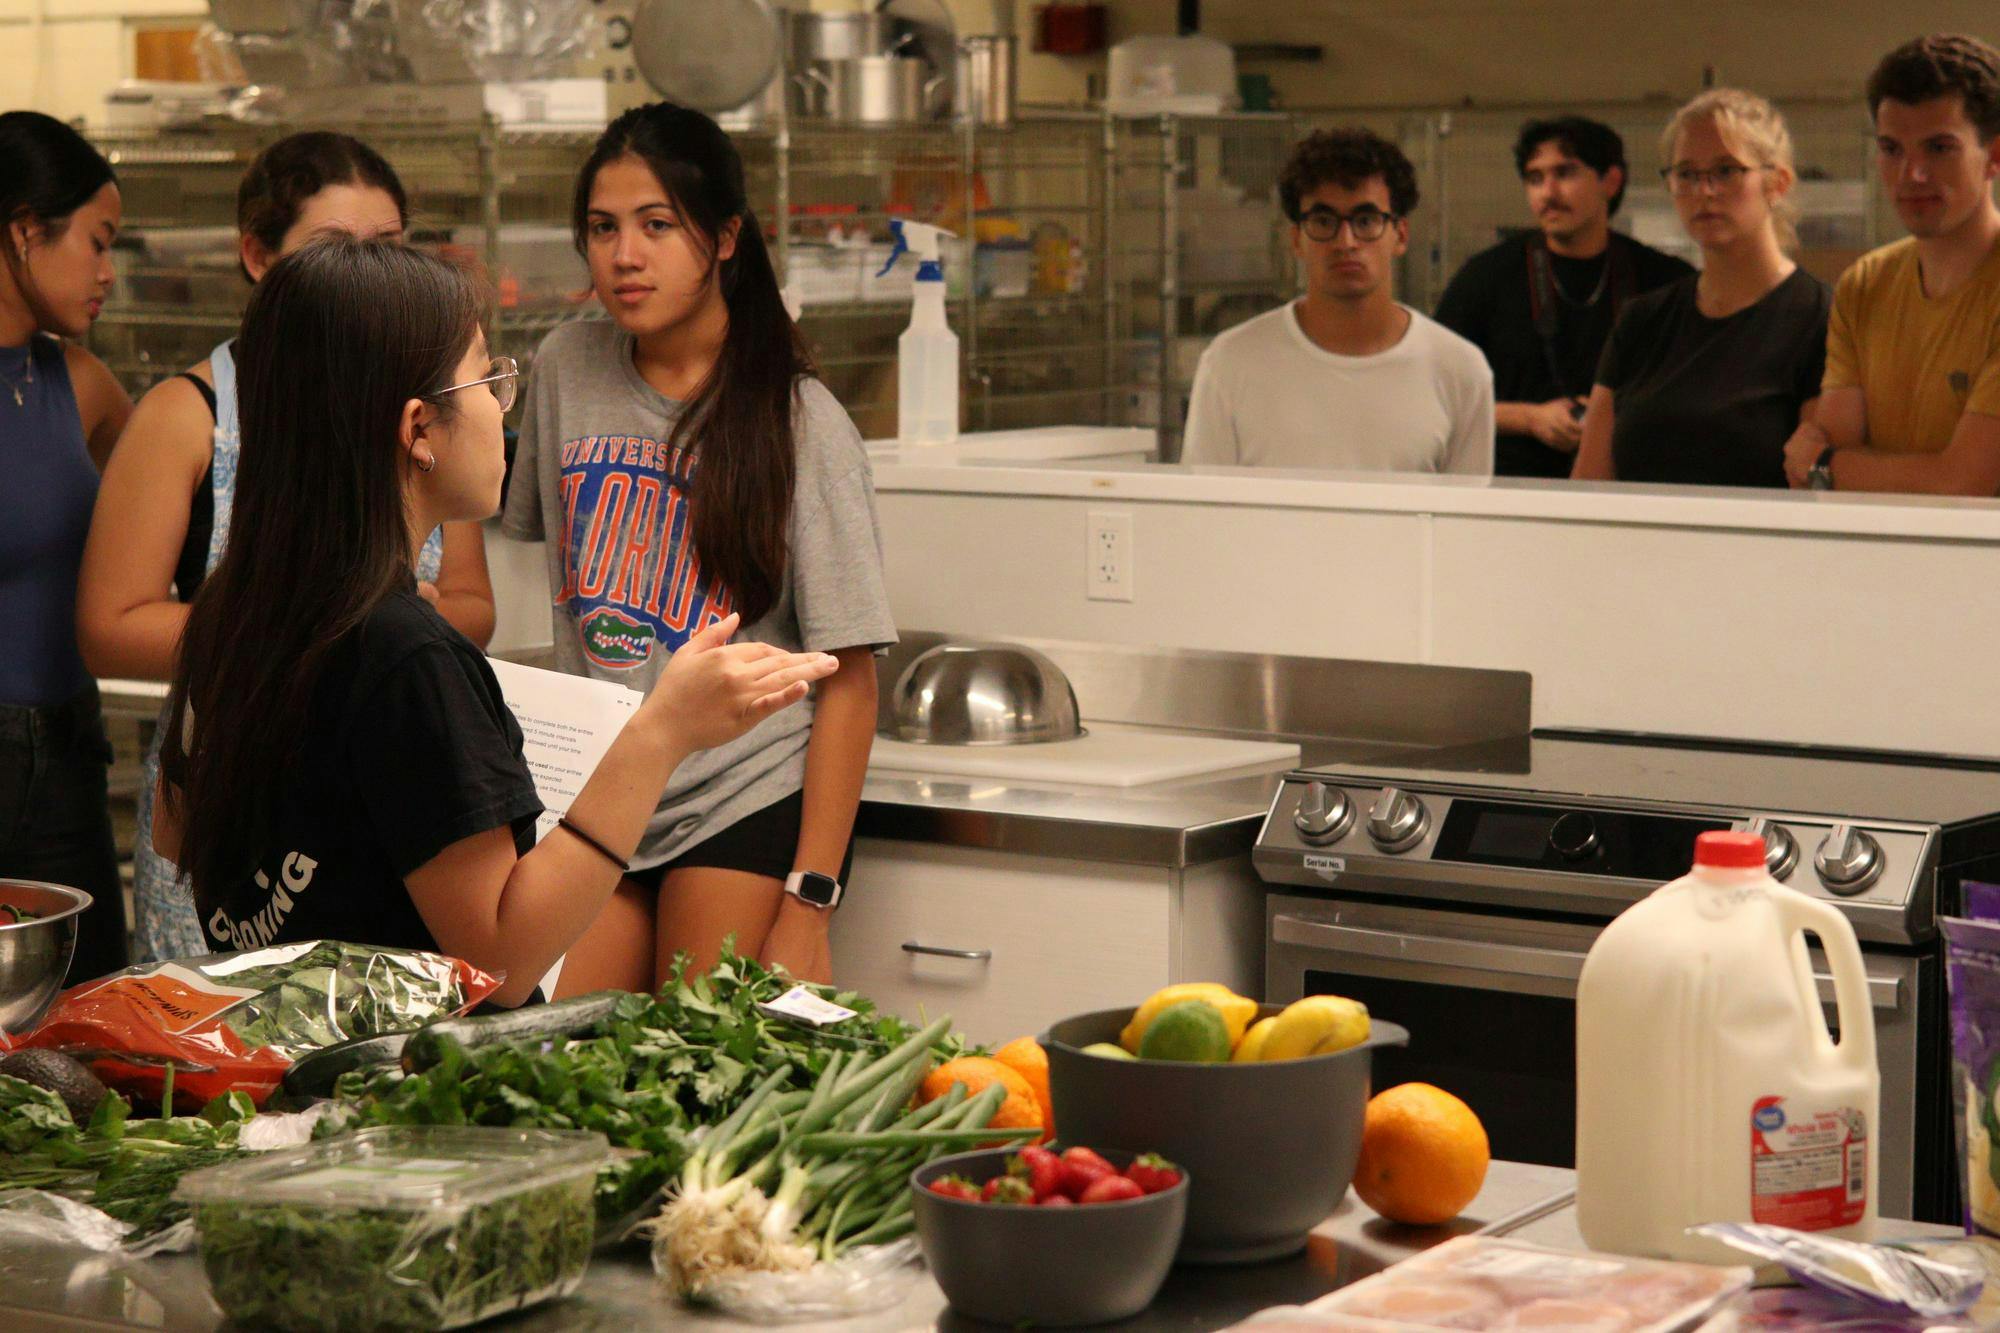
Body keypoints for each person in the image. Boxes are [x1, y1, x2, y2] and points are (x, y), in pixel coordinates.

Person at [154, 237, 838, 1008]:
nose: (499, 405)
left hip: (287, 1050)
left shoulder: (234, 607)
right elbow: (500, 957)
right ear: (418, 429)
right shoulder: (407, 655)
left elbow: (171, 835)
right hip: (401, 1092)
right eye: (487, 377)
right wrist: (663, 732)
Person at [499, 102, 896, 993]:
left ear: (722, 240)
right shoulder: (567, 365)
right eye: (602, 229)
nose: (624, 256)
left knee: (695, 1052)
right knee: (559, 1051)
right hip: (605, 790)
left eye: (656, 225)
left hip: (742, 794)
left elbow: (851, 680)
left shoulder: (802, 422)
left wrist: (810, 901)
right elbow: (528, 557)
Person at [77, 132, 497, 964]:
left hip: (379, 793)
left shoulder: (432, 425)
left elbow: (472, 603)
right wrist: (310, 626)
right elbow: (108, 623)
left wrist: (402, 628)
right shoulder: (188, 410)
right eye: (337, 250)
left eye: (389, 248)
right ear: (260, 258)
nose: (369, 272)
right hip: (245, 789)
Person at [0, 111, 131, 982]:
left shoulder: (83, 386)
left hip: (71, 758)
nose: (108, 272)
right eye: (97, 241)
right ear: (22, 232)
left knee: (89, 1020)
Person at [1180, 127, 1494, 475]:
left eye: (1365, 220)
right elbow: (1202, 517)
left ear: (1400, 235)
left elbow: (1466, 525)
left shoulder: (1460, 369)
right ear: (1297, 239)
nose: (1345, 241)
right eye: (1323, 220)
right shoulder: (1230, 362)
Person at [1571, 91, 1830, 487]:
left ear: (1777, 183)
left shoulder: (1820, 319)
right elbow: (1588, 485)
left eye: (1726, 171)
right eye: (1688, 174)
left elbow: (1814, 487)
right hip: (1635, 546)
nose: (1705, 192)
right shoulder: (1641, 321)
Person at [1783, 34, 2000, 494]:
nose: (1911, 174)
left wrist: (1829, 465)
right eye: (1891, 149)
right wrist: (1831, 467)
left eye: (1939, 148)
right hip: (1876, 559)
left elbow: (1966, 483)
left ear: (1994, 156)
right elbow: (1828, 469)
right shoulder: (1866, 283)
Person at [1434, 116, 1694, 478]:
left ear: (1611, 181)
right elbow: (1436, 398)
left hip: (1630, 489)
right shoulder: (1485, 277)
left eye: (1565, 173)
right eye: (1535, 178)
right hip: (1510, 490)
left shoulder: (1665, 281)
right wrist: (1531, 419)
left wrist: (1614, 417)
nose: (1548, 193)